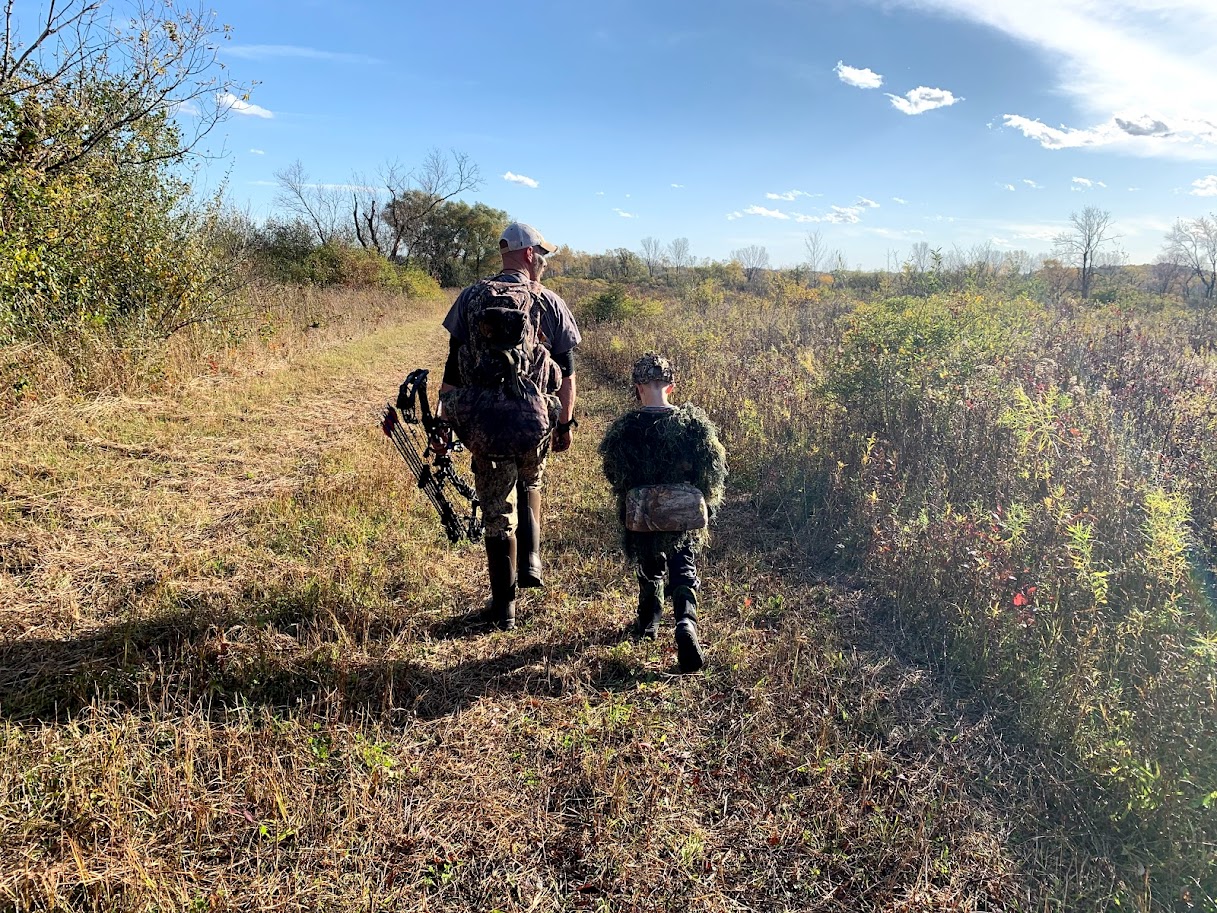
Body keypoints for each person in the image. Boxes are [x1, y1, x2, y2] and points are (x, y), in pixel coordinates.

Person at [435, 222, 581, 630]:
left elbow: (453, 367)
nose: (545, 263)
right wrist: (564, 424)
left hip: (483, 424)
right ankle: (531, 560)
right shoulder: (550, 302)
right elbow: (567, 374)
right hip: (534, 421)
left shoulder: (470, 298)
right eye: (544, 255)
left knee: (496, 510)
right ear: (530, 254)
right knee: (531, 481)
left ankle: (504, 609)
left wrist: (445, 422)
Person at [598, 353, 727, 673]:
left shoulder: (626, 428)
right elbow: (711, 472)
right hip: (682, 514)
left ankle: (649, 622)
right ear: (671, 386)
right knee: (684, 566)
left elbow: (615, 474)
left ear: (638, 387)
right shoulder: (694, 425)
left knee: (649, 565)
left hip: (643, 514)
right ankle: (685, 622)